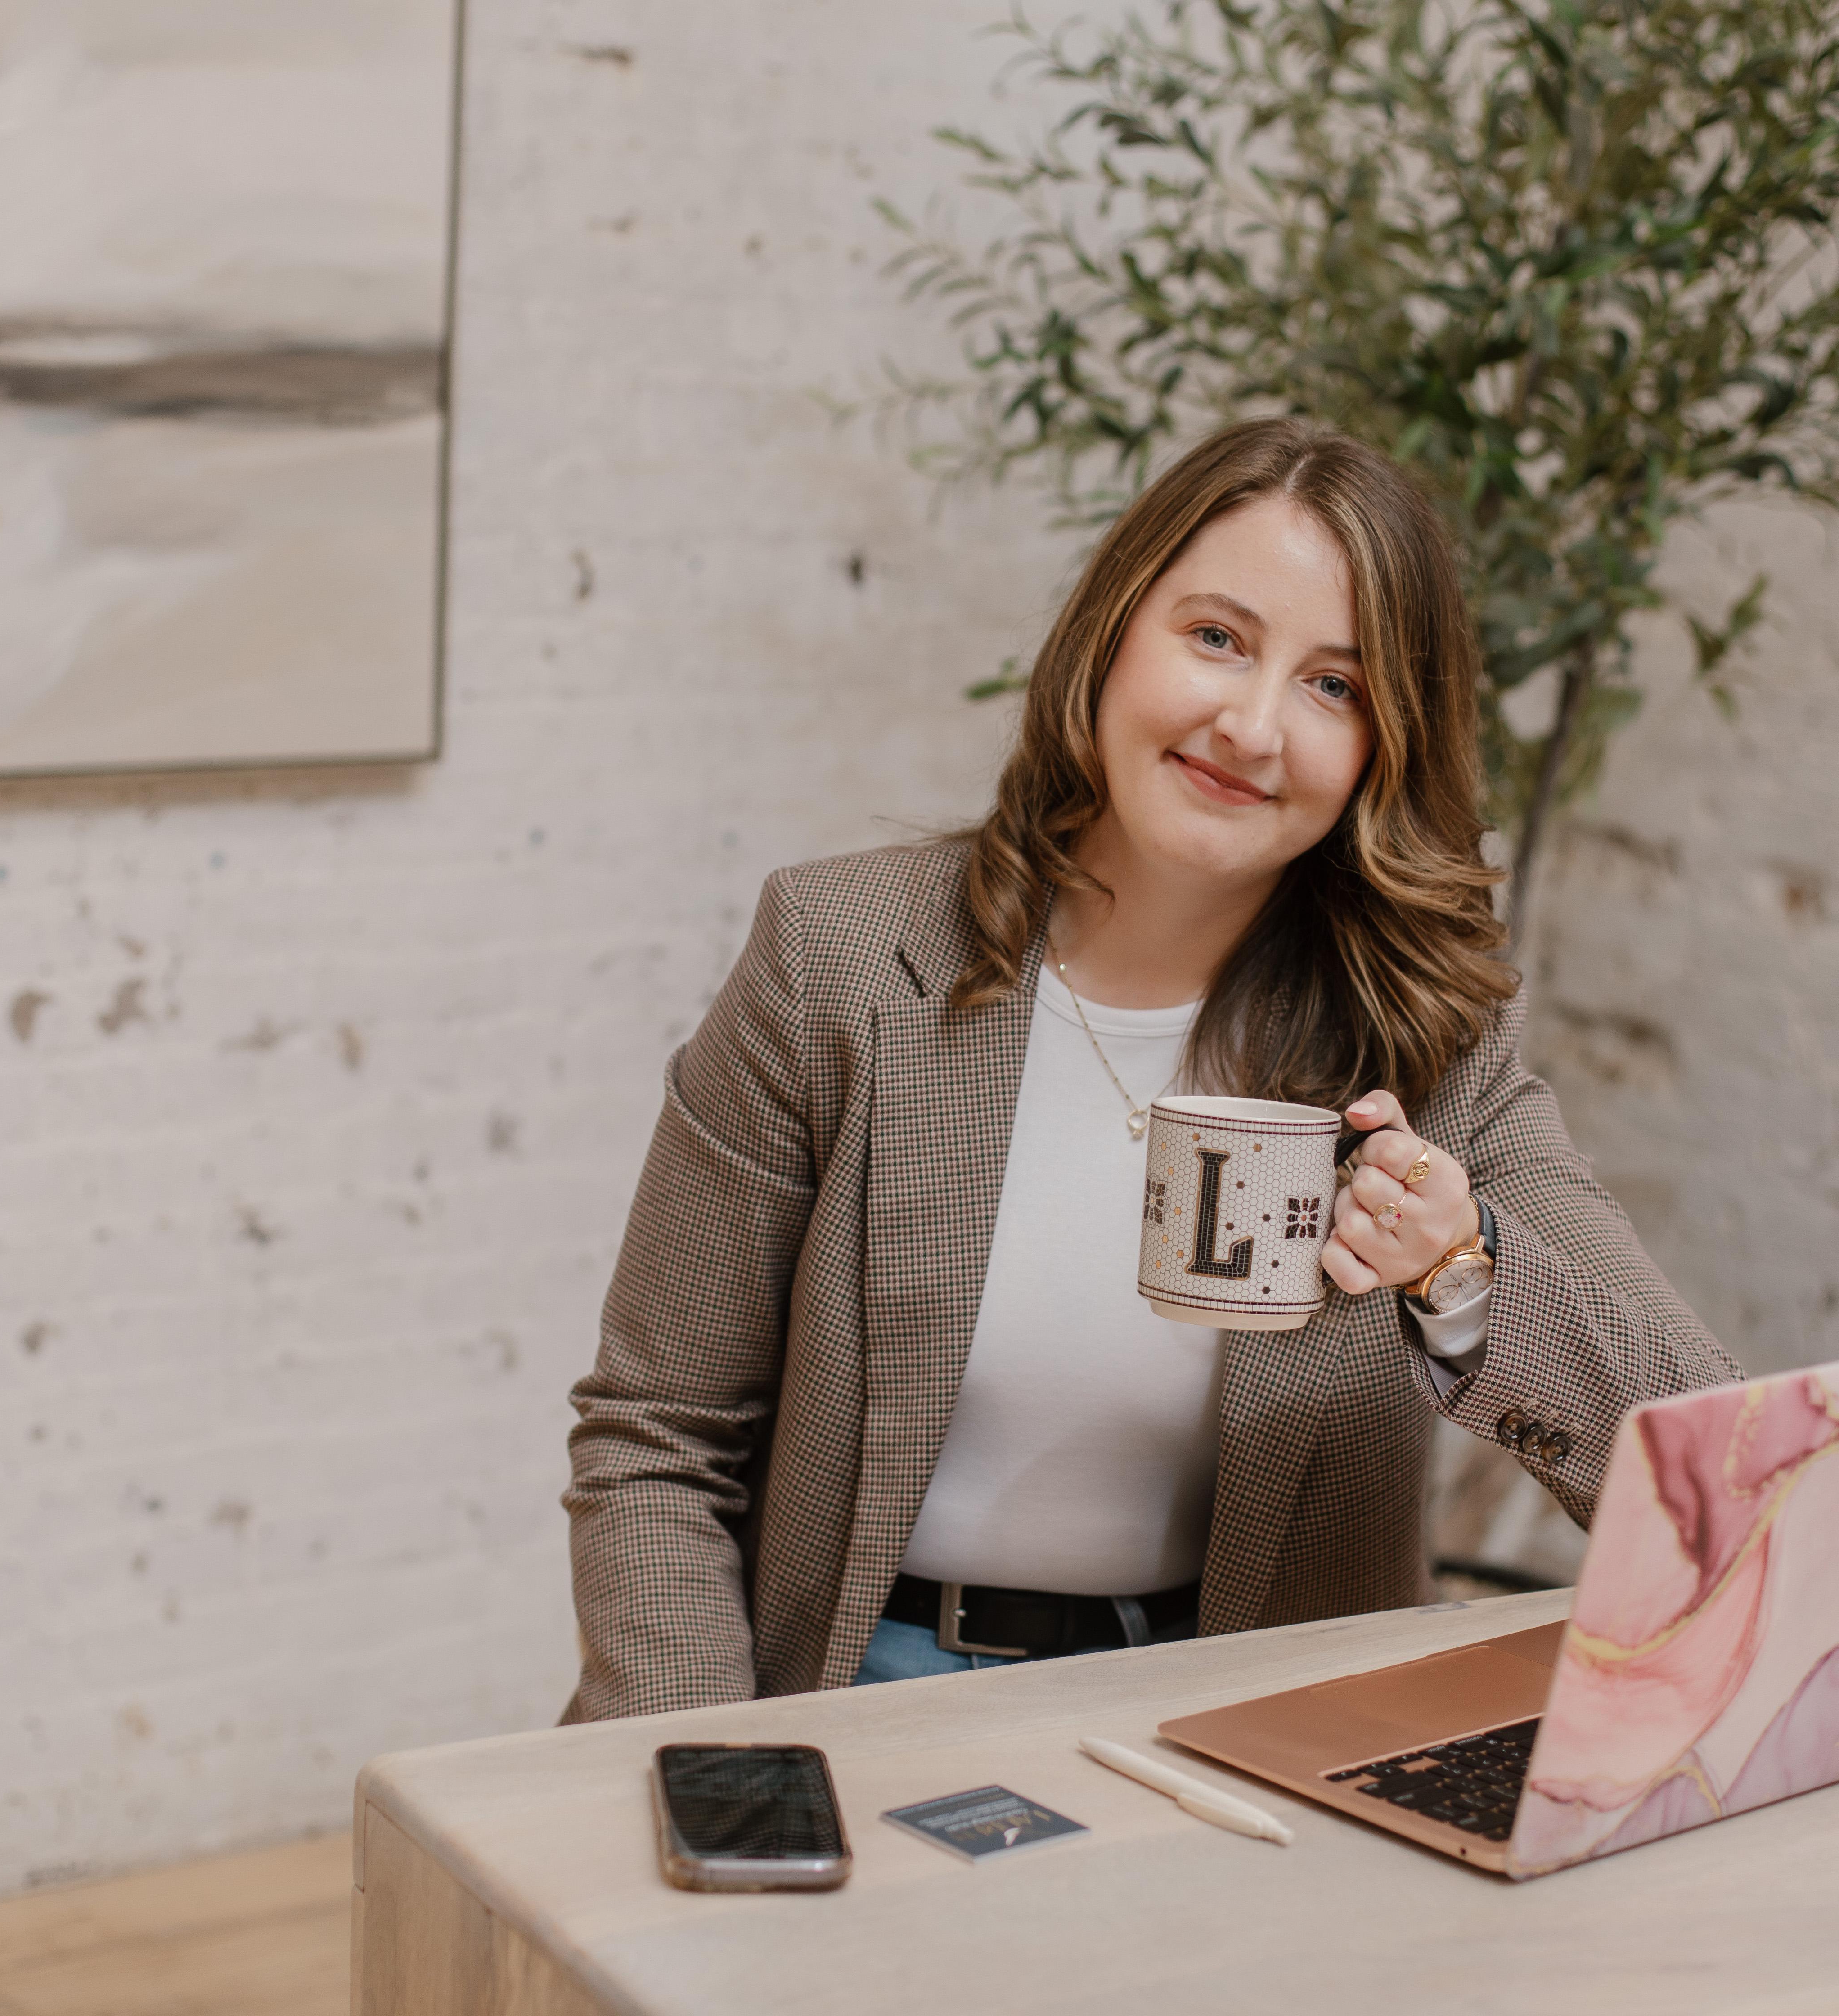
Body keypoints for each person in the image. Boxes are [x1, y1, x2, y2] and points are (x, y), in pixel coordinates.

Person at [561, 418, 1737, 1720]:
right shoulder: (837, 961)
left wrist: (1459, 1274)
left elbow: (1706, 1459)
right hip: (859, 1700)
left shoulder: (1423, 1042)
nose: (1251, 725)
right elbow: (658, 1440)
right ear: (1115, 631)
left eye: (1334, 687)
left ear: (1382, 749)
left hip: (1253, 1724)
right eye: (1218, 638)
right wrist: (719, 1774)